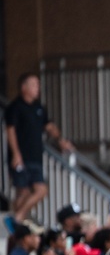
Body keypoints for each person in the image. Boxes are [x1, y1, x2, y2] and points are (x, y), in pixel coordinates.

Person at [4, 72, 74, 227]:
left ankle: (17, 219)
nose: (38, 88)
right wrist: (16, 154)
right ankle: (18, 221)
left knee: (40, 190)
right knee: (23, 191)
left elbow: (49, 126)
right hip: (21, 157)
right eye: (34, 84)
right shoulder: (15, 107)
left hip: (36, 157)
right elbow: (10, 131)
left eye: (38, 85)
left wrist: (60, 140)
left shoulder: (38, 108)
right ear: (24, 87)